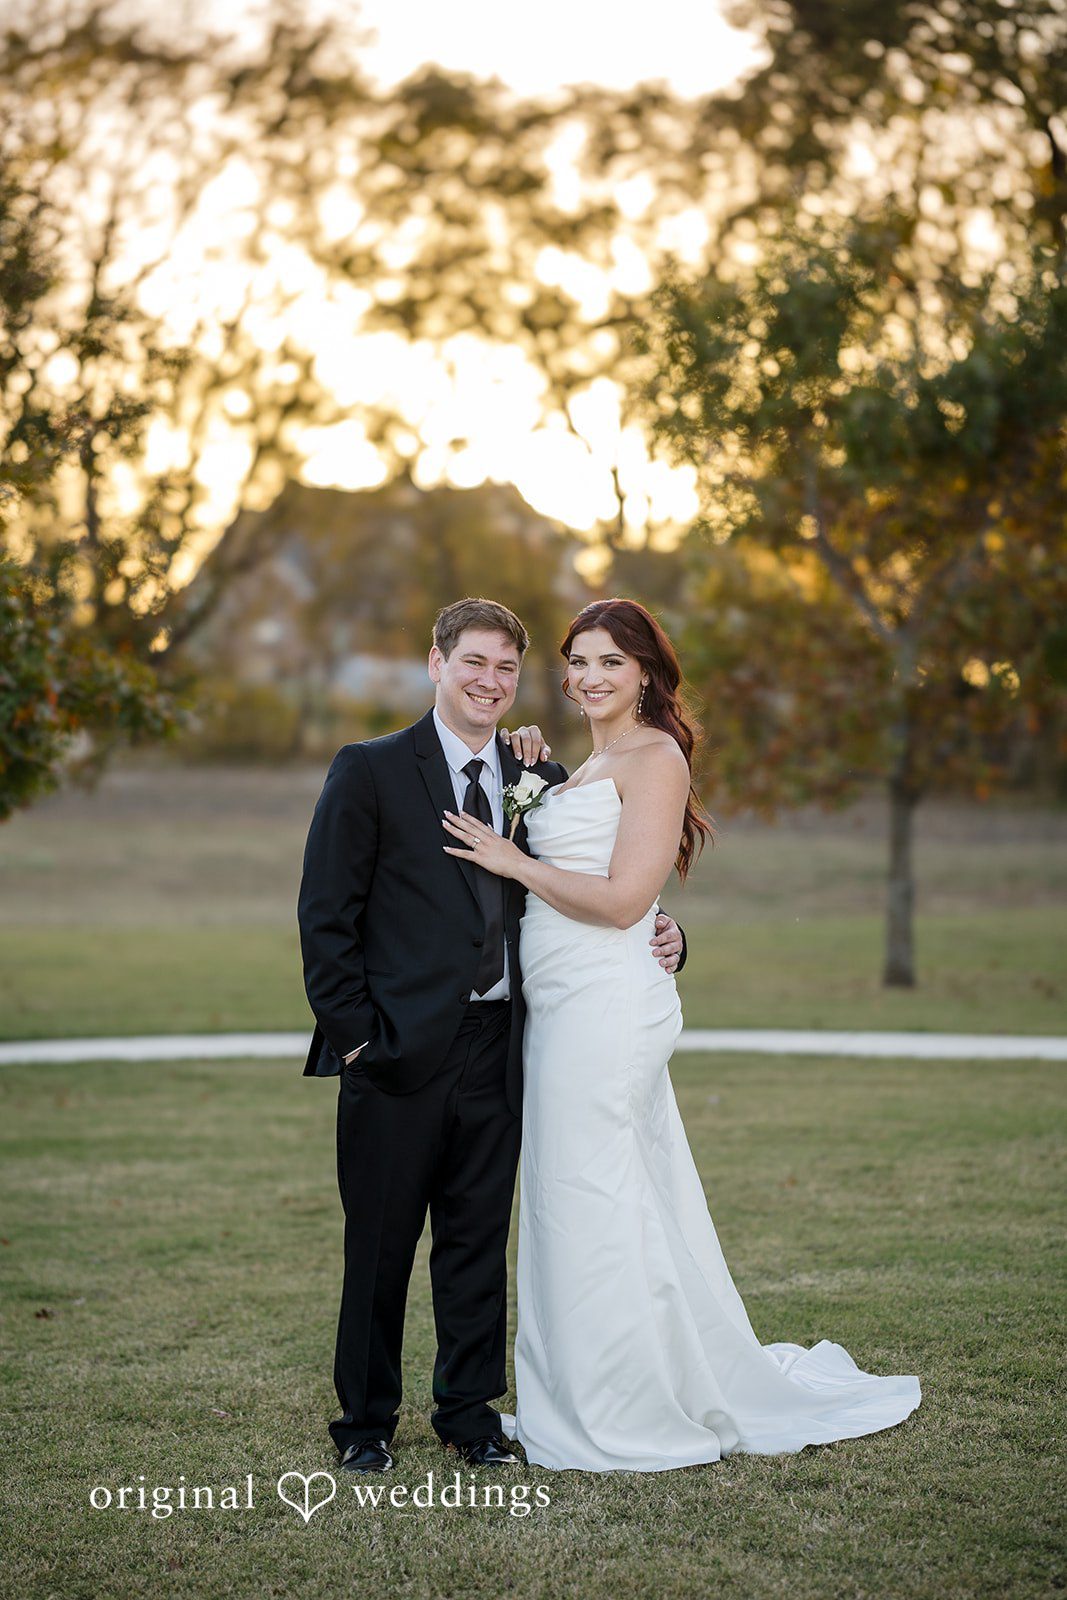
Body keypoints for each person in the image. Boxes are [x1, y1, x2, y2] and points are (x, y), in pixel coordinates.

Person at [441, 597, 922, 1471]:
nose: (589, 678)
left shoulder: (655, 756)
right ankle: (576, 1395)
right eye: (577, 661)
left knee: (591, 1197)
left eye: (610, 664)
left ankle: (619, 1406)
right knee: (574, 1198)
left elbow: (626, 901)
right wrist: (534, 781)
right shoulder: (586, 763)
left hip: (607, 1009)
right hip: (558, 1007)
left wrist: (513, 859)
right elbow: (610, 879)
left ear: (648, 675)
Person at [297, 597, 686, 1474]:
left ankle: (468, 1415)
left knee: (476, 1242)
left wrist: (669, 934)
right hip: (395, 1052)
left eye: (505, 667)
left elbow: (599, 884)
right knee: (381, 1246)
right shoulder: (370, 770)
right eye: (472, 662)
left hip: (505, 1045)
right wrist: (359, 1042)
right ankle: (364, 1424)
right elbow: (325, 919)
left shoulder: (540, 783)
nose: (488, 681)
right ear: (436, 665)